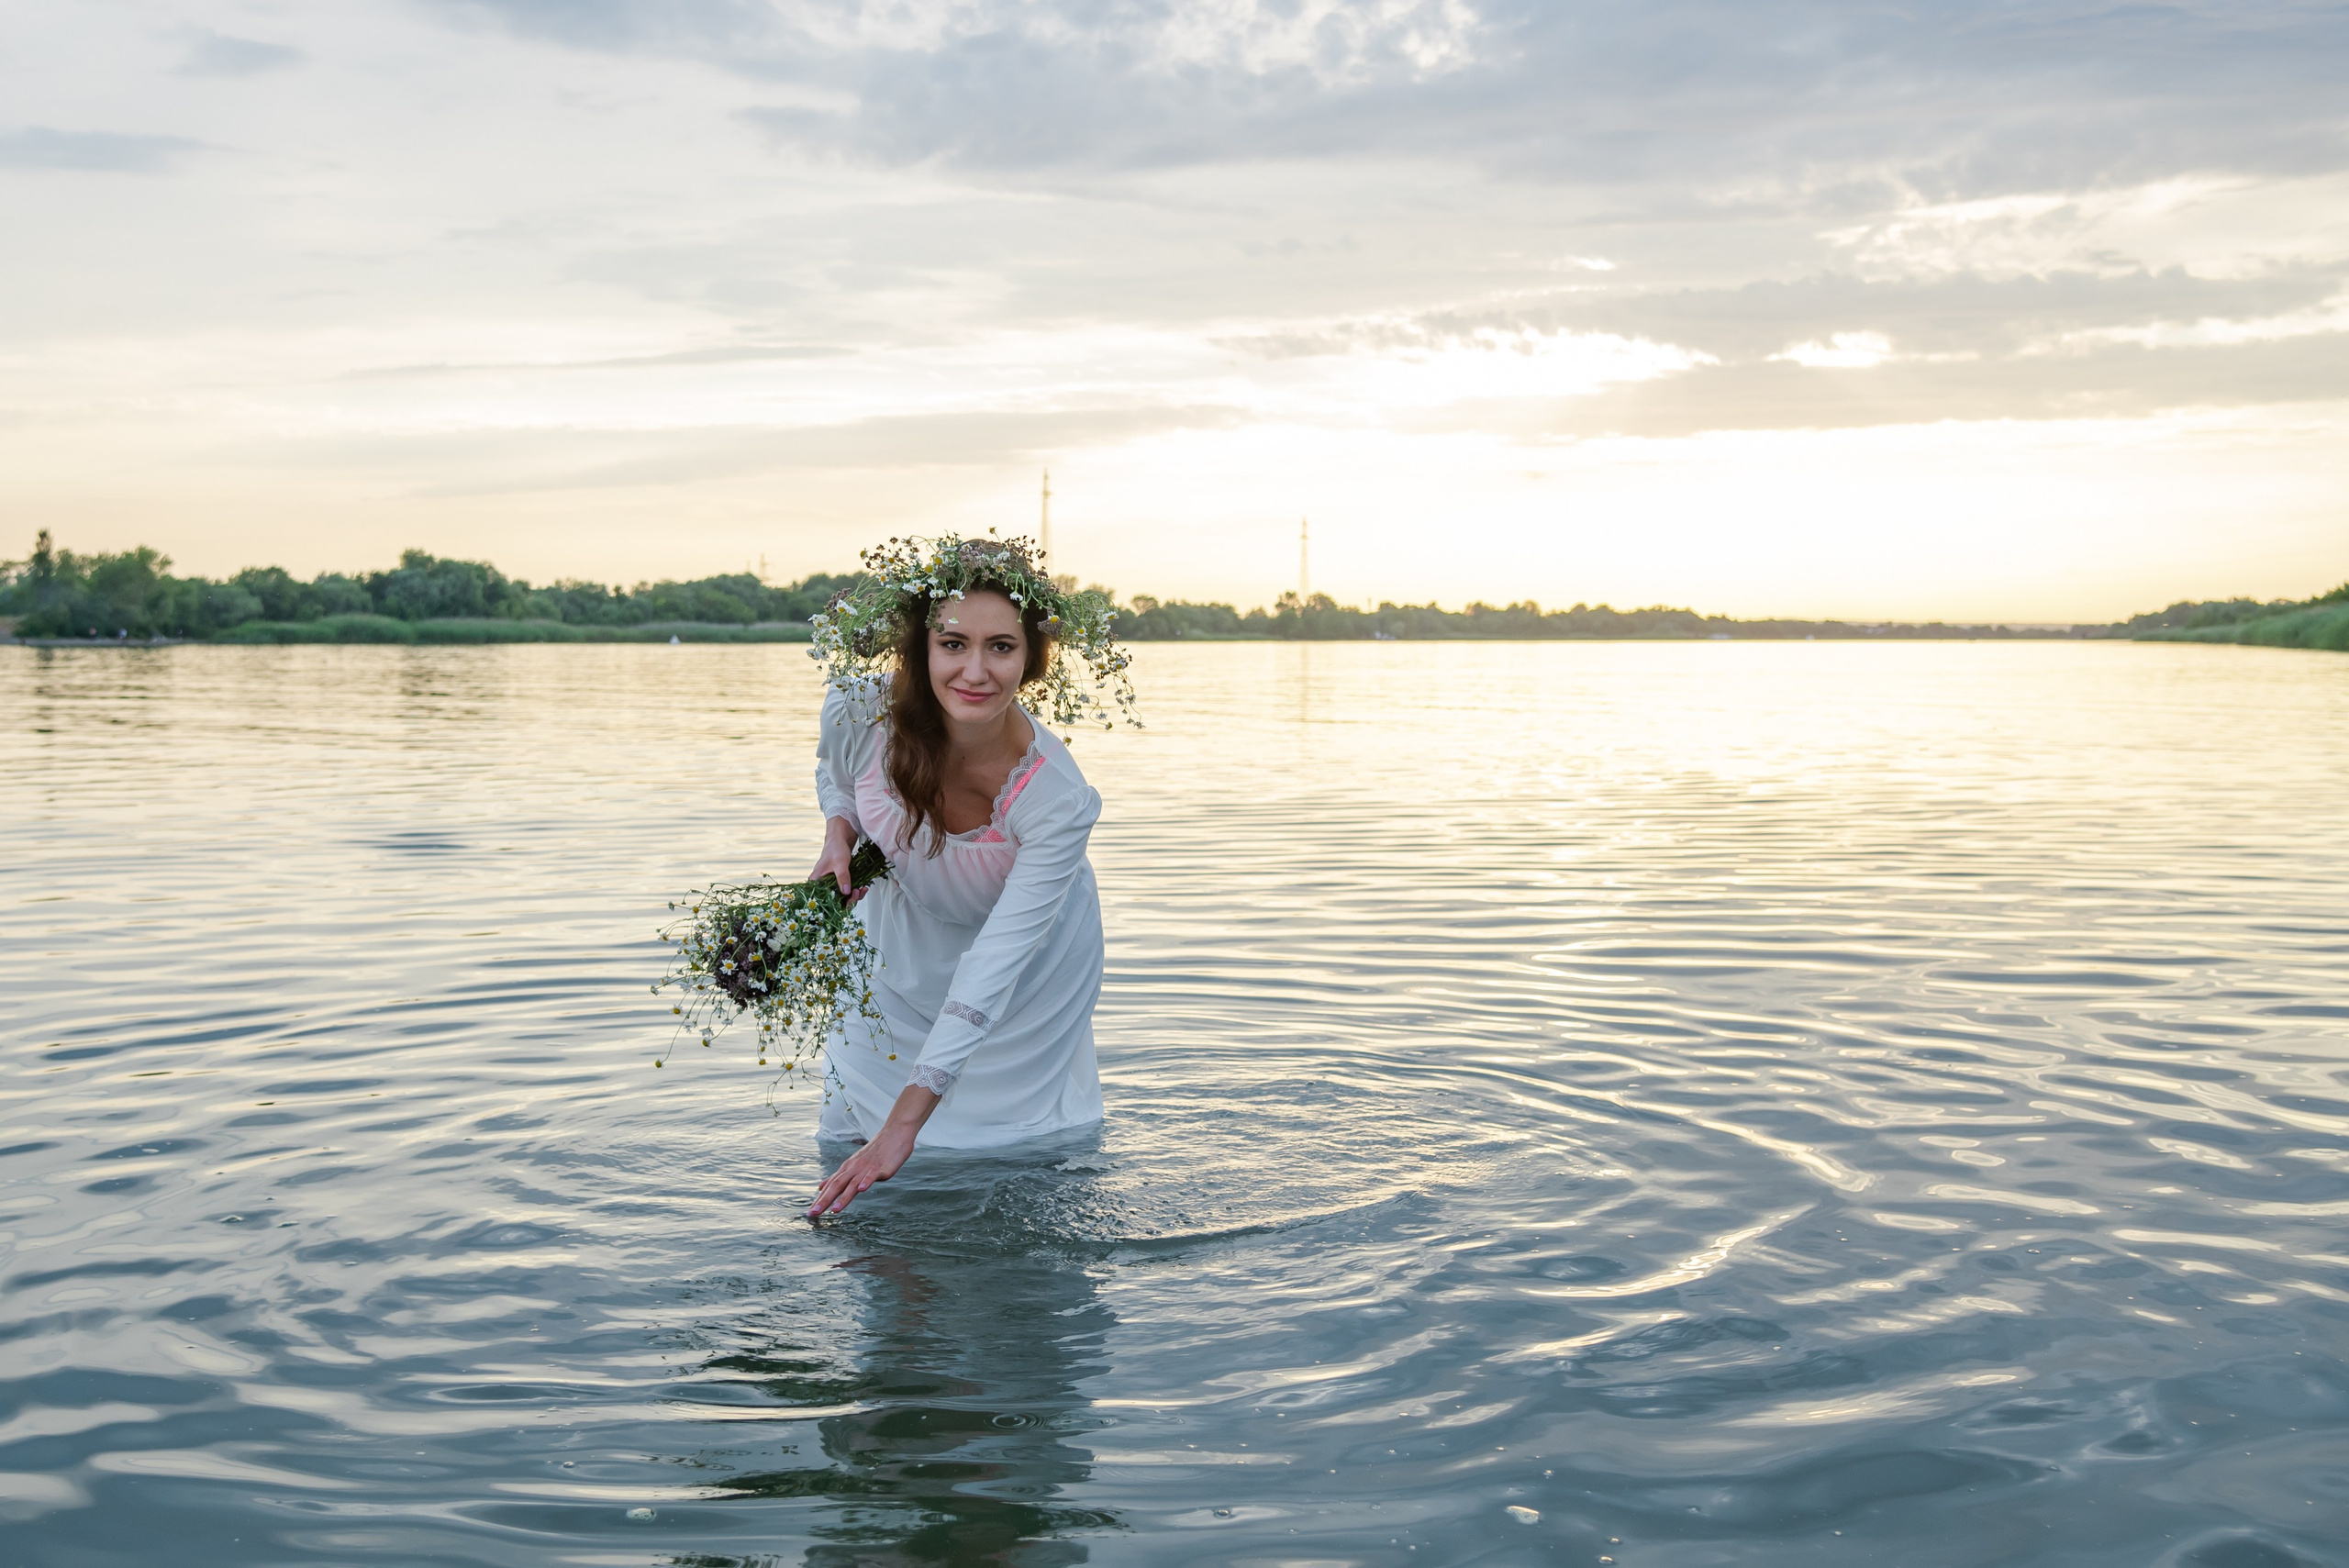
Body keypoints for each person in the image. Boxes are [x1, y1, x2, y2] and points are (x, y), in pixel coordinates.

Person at [802, 536, 1134, 1218]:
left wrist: (905, 1123)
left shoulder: (1055, 799)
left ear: (1033, 661)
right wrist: (839, 832)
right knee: (852, 1129)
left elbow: (993, 965)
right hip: (899, 938)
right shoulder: (858, 709)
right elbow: (835, 780)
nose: (974, 671)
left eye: (1001, 647)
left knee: (1012, 1156)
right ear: (922, 649)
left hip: (1027, 970)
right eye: (953, 643)